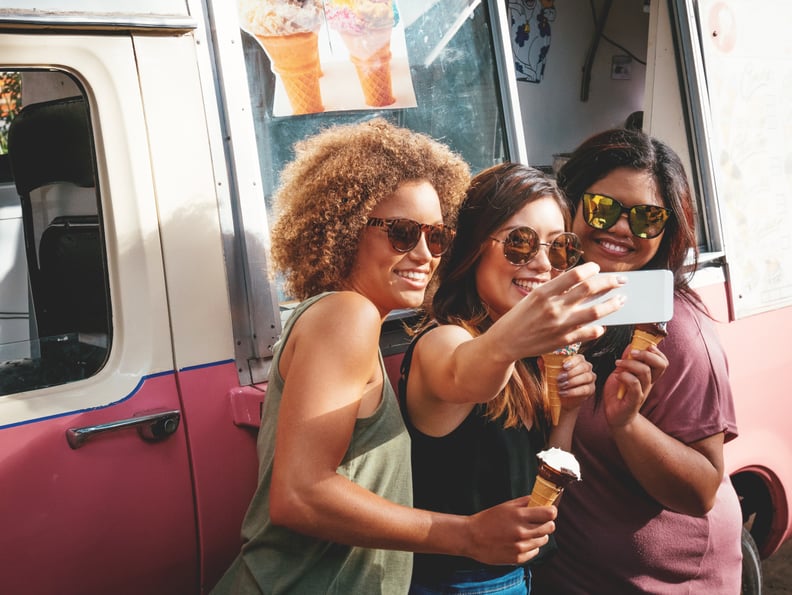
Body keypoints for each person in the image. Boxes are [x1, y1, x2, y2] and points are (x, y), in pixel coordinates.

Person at [211, 119, 564, 595]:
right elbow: (299, 496)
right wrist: (467, 535)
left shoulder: (349, 318)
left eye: (436, 237)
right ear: (344, 226)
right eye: (402, 233)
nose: (424, 253)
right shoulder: (347, 314)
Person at [398, 163, 660, 594]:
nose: (542, 263)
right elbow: (466, 375)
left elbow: (545, 485)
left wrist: (568, 412)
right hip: (454, 583)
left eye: (558, 247)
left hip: (518, 579)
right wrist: (521, 340)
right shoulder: (444, 340)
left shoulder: (529, 355)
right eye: (520, 242)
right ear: (473, 247)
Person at [532, 128, 743, 593]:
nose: (622, 229)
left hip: (664, 582)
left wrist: (627, 423)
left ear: (666, 231)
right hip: (570, 574)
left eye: (647, 218)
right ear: (569, 203)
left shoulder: (678, 332)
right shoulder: (554, 299)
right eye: (603, 208)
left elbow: (703, 489)